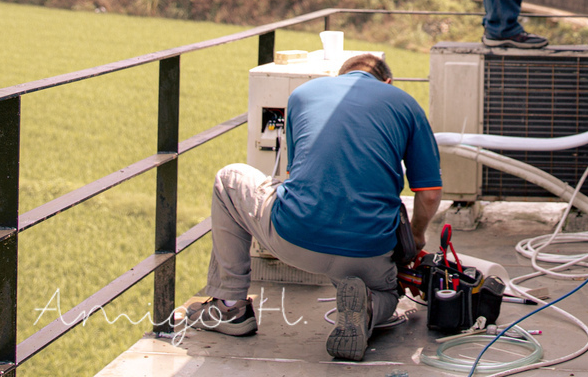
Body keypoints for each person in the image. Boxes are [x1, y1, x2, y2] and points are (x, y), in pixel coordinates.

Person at [184, 53, 442, 362]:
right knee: (389, 291)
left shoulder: (304, 94)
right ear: (387, 83)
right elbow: (428, 195)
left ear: (338, 76)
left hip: (295, 238)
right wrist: (414, 239)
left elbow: (300, 177)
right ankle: (370, 305)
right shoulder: (405, 103)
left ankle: (229, 307)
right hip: (369, 250)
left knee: (228, 180)